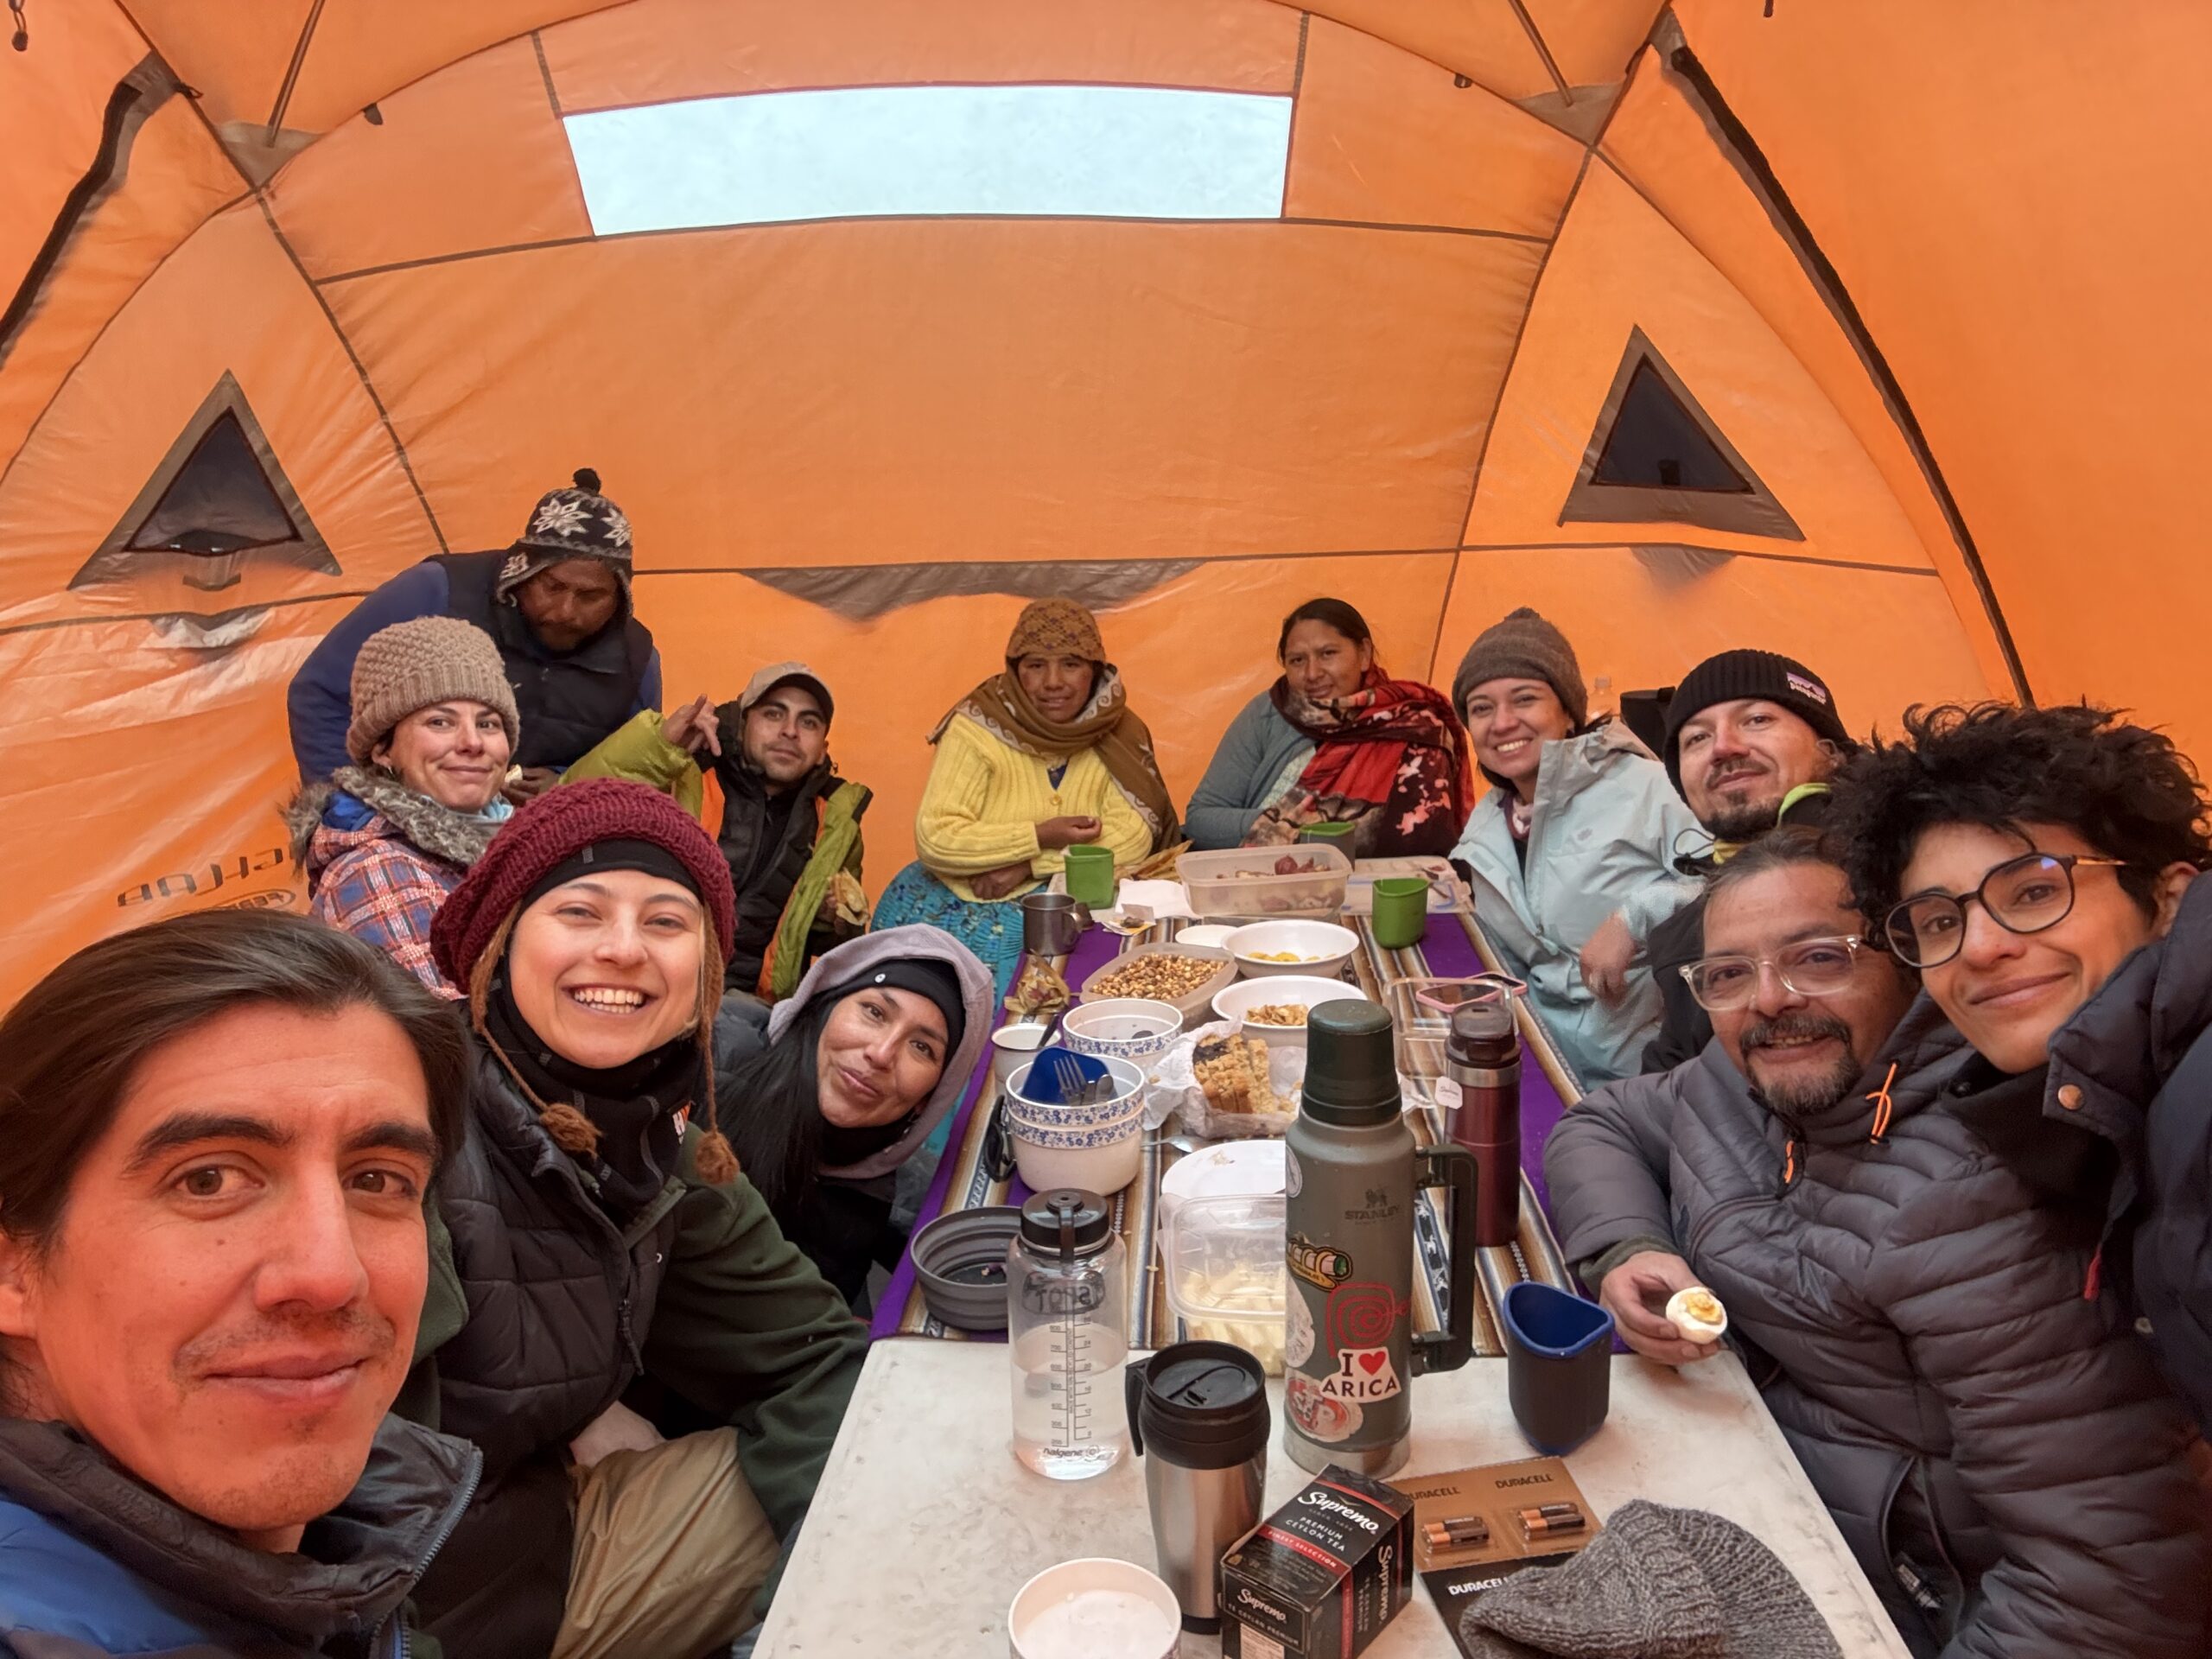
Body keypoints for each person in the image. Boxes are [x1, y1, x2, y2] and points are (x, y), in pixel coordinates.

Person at [1545, 830, 2209, 1658]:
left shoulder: (1982, 1207)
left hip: (1893, 1604)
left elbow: (2111, 1592)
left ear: (1910, 965)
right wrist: (1629, 1247)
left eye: (1820, 958)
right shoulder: (1740, 1079)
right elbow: (1603, 1123)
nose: (1769, 1000)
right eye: (1727, 975)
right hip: (1738, 1492)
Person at [406, 778, 868, 1659]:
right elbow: (328, 1521)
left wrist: (812, 1605)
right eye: (580, 912)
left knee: (871, 1449)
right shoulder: (405, 1138)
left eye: (665, 921)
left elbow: (810, 1357)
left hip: (537, 1554)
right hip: (413, 1615)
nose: (624, 950)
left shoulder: (661, 1146)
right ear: (499, 946)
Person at [0, 910, 480, 1657]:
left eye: (377, 1179)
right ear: (13, 1265)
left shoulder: (340, 1546)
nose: (330, 1273)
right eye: (210, 1179)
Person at [1825, 702, 2212, 1435]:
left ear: (2167, 897)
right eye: (1940, 920)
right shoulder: (2125, 1115)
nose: (1980, 947)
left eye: (2034, 890)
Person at [288, 468, 661, 802]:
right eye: (552, 587)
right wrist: (348, 808)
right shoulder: (438, 592)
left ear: (620, 598)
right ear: (524, 572)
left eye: (590, 597)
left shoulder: (636, 659)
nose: (566, 611)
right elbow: (320, 693)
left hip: (546, 842)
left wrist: (567, 787)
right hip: (407, 821)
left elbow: (633, 772)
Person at [1446, 609, 1702, 1085]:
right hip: (1539, 1061)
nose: (1501, 723)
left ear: (1568, 713)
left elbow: (1737, 884)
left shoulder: (1651, 788)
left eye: (1524, 700)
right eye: (1481, 708)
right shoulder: (1487, 823)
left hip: (1647, 1075)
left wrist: (1635, 916)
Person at [873, 598, 1178, 993]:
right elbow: (936, 836)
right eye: (1036, 665)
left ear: (1094, 671)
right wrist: (1039, 835)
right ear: (1016, 671)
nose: (1054, 682)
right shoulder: (975, 727)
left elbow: (1132, 838)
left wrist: (1029, 864)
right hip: (952, 897)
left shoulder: (1120, 732)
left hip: (1066, 897)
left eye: (1071, 664)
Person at [715, 926, 992, 1306]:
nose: (881, 1053)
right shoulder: (705, 1074)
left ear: (928, 1100)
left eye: (921, 1047)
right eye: (874, 1012)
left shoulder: (884, 1191)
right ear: (823, 1004)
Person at [567, 662, 871, 1001]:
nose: (790, 731)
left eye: (808, 722)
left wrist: (835, 921)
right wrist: (657, 748)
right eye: (773, 714)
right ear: (742, 724)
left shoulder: (836, 824)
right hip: (653, 978)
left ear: (822, 752)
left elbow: (825, 948)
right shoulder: (687, 770)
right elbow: (575, 810)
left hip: (755, 1009)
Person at [1640, 648, 1855, 1073]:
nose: (1723, 747)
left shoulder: (1898, 872)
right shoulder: (1683, 941)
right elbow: (1663, 1091)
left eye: (1757, 720)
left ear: (1832, 752)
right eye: (1697, 738)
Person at [285, 615, 519, 997]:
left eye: (489, 724)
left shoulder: (514, 842)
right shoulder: (378, 868)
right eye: (441, 722)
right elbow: (456, 1040)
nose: (472, 742)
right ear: (383, 750)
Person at [1186, 597, 1471, 856]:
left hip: (1382, 891)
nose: (1312, 673)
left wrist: (1299, 829)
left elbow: (1425, 839)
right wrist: (1296, 825)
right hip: (1260, 881)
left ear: (1363, 654)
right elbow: (1200, 820)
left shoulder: (1416, 727)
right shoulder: (1269, 712)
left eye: (1328, 654)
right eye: (1297, 660)